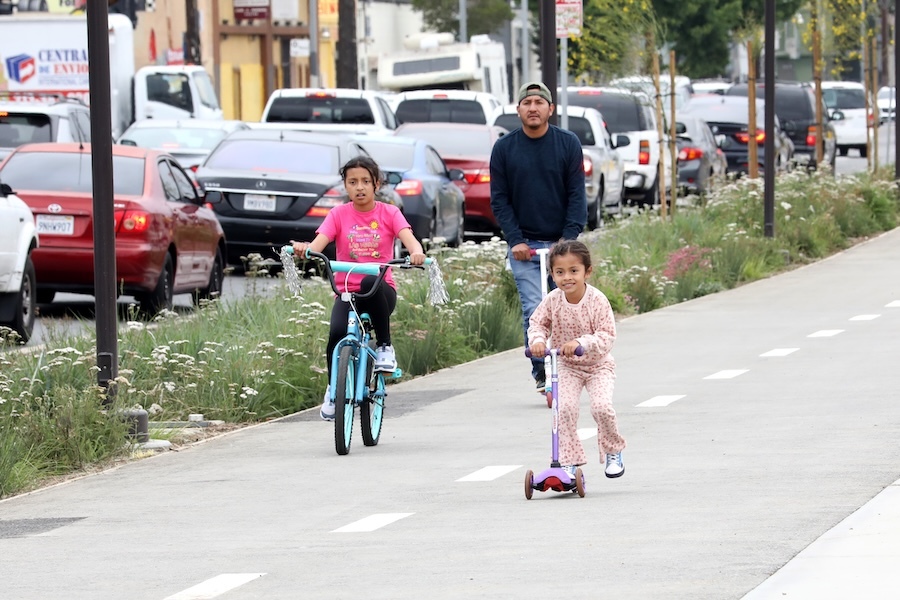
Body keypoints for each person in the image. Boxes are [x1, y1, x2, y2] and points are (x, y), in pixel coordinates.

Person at [292, 156, 427, 421]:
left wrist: (417, 252)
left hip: (380, 291)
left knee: (369, 279)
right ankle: (334, 390)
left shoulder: (389, 213)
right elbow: (317, 245)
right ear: (345, 186)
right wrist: (304, 250)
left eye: (366, 181)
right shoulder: (338, 214)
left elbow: (410, 240)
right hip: (346, 292)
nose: (360, 187)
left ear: (377, 184)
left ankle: (385, 347)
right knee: (336, 334)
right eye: (352, 182)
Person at [490, 81, 587, 393]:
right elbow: (500, 200)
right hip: (525, 247)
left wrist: (568, 239)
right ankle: (542, 369)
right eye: (527, 102)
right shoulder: (505, 149)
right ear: (518, 109)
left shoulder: (568, 143)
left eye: (539, 102)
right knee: (535, 308)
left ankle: (572, 365)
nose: (533, 107)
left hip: (562, 244)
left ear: (550, 109)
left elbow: (576, 194)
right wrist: (515, 239)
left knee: (569, 307)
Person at [527, 240, 626, 479]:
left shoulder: (597, 300)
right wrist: (538, 342)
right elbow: (538, 323)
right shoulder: (553, 300)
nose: (567, 278)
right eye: (560, 272)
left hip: (597, 365)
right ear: (552, 274)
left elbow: (606, 334)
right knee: (565, 410)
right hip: (567, 366)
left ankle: (613, 450)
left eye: (574, 271)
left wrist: (581, 342)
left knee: (602, 407)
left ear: (587, 272)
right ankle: (568, 462)